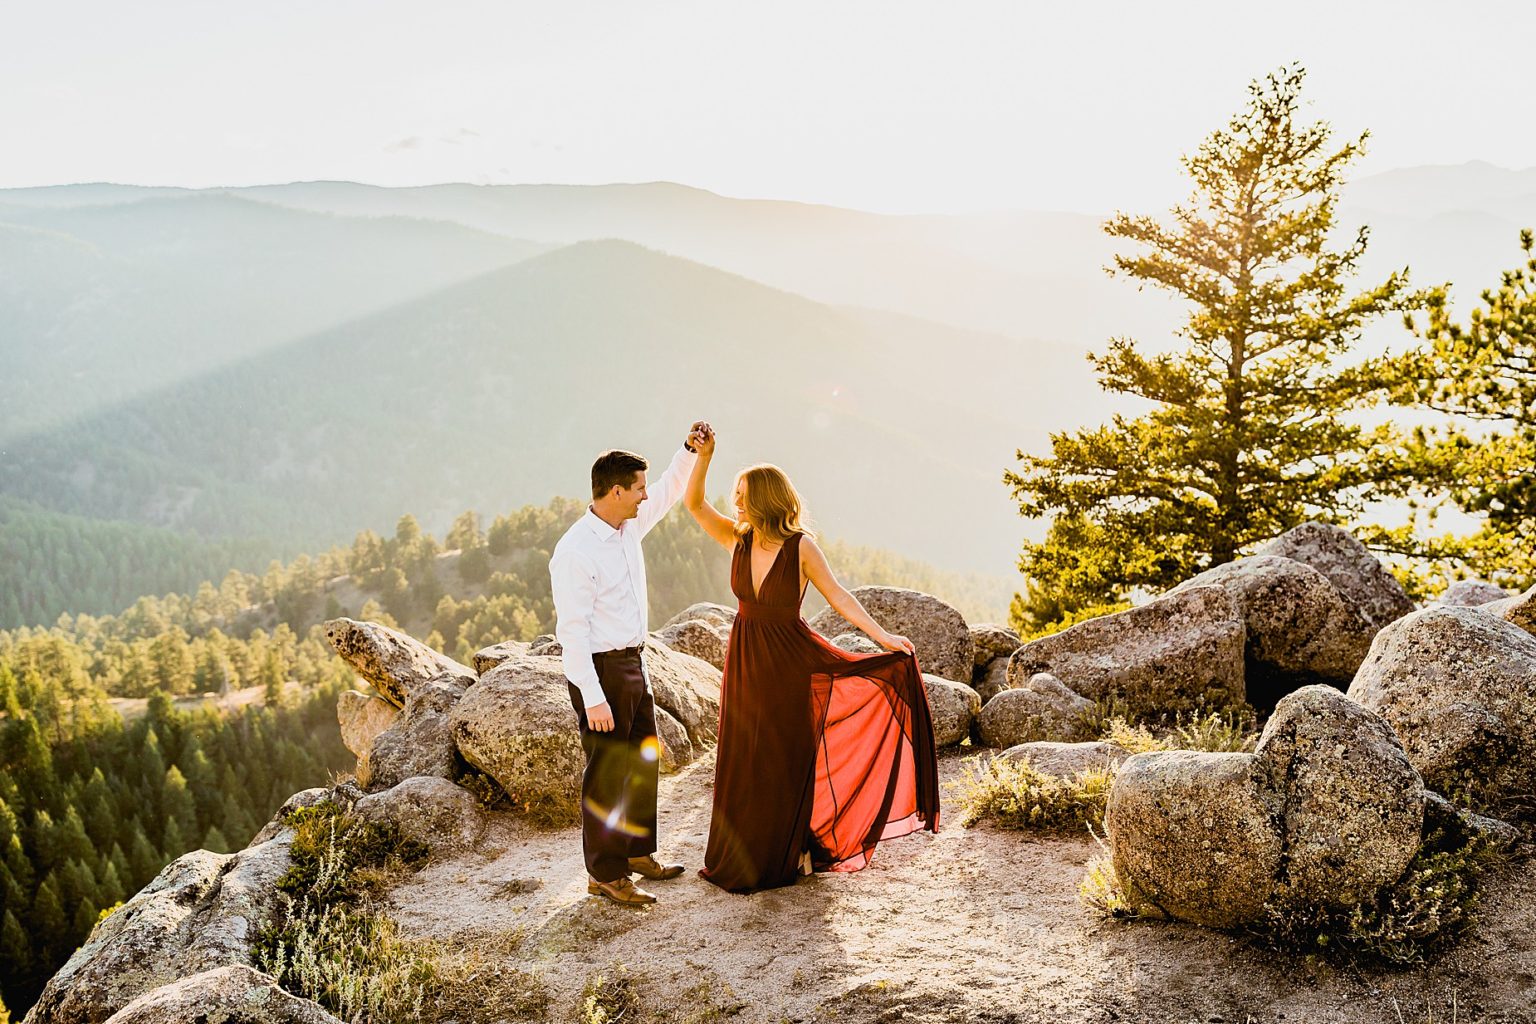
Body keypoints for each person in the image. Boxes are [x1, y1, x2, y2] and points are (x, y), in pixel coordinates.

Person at [683, 425, 941, 893]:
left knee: (785, 757)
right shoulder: (738, 539)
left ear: (763, 498)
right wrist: (705, 456)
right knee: (744, 757)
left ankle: (795, 849)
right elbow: (694, 505)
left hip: (788, 661)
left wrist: (882, 637)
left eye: (742, 495)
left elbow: (838, 595)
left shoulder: (801, 546)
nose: (735, 503)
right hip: (745, 660)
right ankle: (745, 854)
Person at [549, 423, 710, 906]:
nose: (644, 495)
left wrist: (689, 451)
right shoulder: (575, 552)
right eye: (636, 488)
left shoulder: (627, 524)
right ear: (615, 491)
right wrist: (593, 696)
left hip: (635, 663)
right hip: (601, 672)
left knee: (641, 761)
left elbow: (667, 491)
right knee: (606, 775)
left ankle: (638, 853)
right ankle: (604, 873)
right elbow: (571, 635)